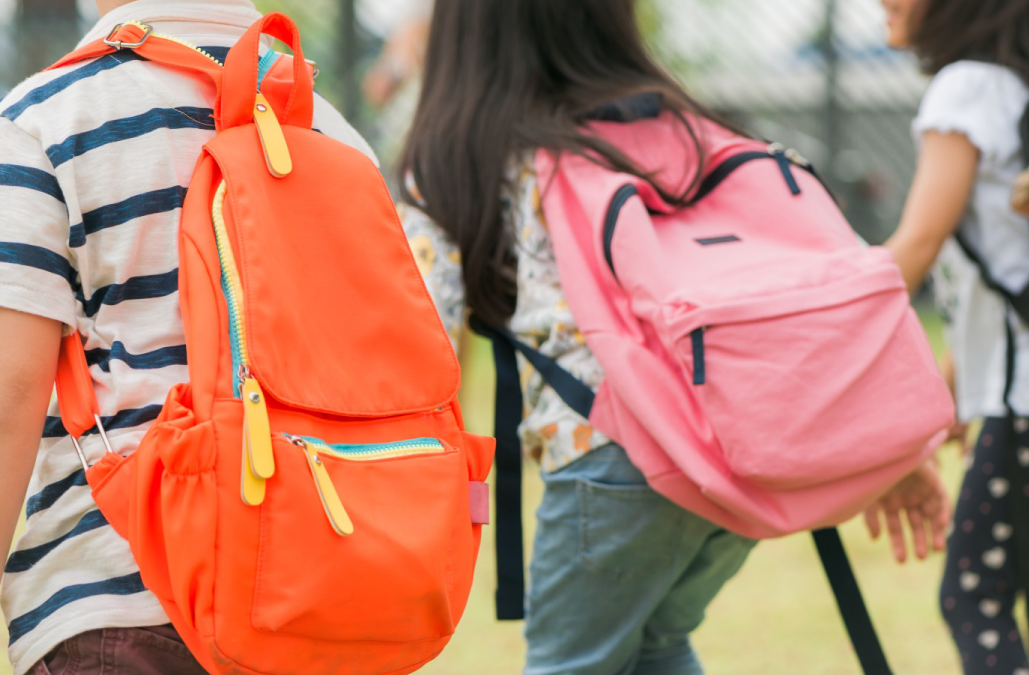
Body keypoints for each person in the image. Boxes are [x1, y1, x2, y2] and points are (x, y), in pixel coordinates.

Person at [399, 1, 949, 672]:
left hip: (610, 453)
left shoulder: (465, 150)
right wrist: (873, 443)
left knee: (569, 662)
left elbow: (417, 332)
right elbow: (797, 275)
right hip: (725, 450)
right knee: (658, 643)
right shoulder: (686, 126)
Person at [0, 1, 374, 674]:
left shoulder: (43, 120)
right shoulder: (332, 132)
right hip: (316, 600)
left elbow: (1, 388)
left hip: (117, 595)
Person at [879, 0, 1029, 671]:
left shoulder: (968, 86)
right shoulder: (1024, 84)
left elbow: (918, 244)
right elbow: (1013, 276)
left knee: (975, 598)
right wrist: (949, 389)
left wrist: (816, 322)